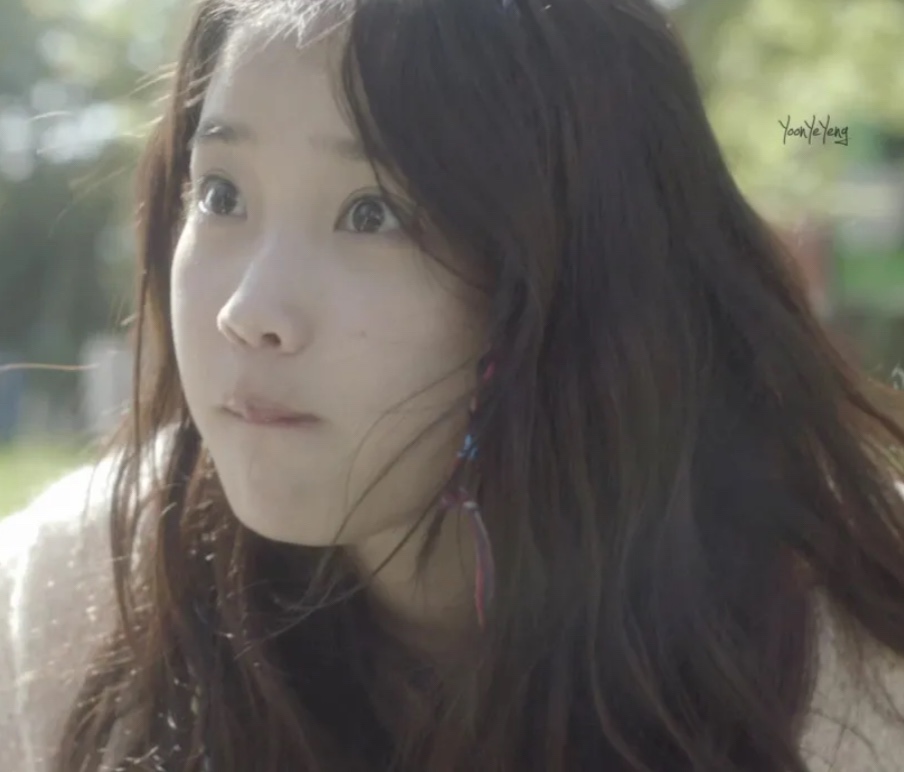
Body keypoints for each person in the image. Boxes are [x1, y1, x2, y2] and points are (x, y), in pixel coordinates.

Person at [3, 0, 904, 769]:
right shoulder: (66, 601)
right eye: (221, 196)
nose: (248, 310)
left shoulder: (854, 675)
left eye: (372, 213)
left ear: (582, 272)